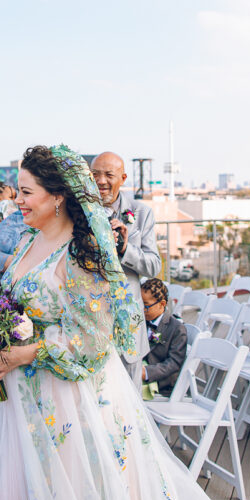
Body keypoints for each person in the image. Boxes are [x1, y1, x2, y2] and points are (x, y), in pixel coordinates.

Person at [0, 145, 240, 500]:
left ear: (58, 196)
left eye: (27, 192)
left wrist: (23, 353)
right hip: (25, 393)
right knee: (35, 494)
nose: (18, 200)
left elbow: (91, 342)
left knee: (78, 496)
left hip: (70, 397)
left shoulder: (82, 257)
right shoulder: (27, 241)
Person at [90, 151, 161, 384]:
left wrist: (124, 250)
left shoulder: (141, 213)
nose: (101, 181)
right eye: (95, 175)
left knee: (131, 397)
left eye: (108, 175)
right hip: (89, 322)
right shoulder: (78, 212)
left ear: (123, 178)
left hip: (128, 323)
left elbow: (153, 266)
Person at [140, 278, 188, 397]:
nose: (142, 310)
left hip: (162, 385)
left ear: (162, 304)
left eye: (146, 306)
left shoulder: (177, 328)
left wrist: (146, 372)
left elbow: (174, 363)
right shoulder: (141, 322)